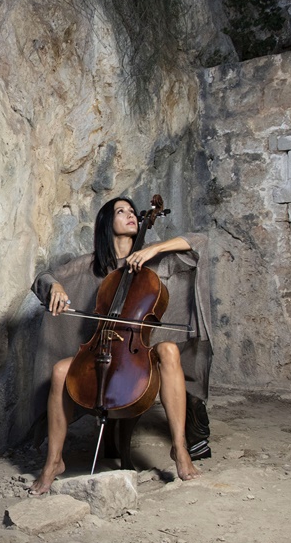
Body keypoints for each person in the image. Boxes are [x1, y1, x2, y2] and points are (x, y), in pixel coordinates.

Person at [29, 197, 208, 494]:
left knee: (169, 350)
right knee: (61, 371)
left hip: (140, 354)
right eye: (120, 212)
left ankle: (180, 448)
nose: (129, 215)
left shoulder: (152, 259)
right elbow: (43, 277)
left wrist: (154, 247)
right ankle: (54, 461)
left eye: (131, 211)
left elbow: (200, 242)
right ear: (105, 224)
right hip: (102, 349)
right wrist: (55, 286)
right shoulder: (92, 264)